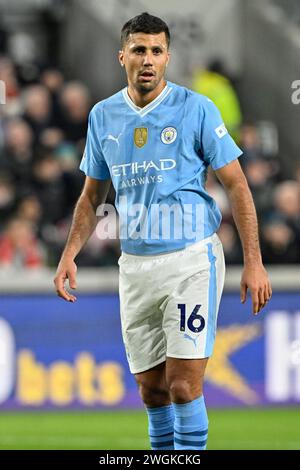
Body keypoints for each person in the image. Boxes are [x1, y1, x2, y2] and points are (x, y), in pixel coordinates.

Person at [54, 12, 272, 451]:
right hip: (134, 266)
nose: (148, 59)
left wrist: (255, 260)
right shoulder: (103, 116)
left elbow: (238, 185)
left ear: (168, 57)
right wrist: (68, 254)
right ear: (122, 57)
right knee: (151, 392)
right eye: (139, 50)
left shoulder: (196, 109)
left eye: (156, 50)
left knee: (183, 386)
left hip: (191, 260)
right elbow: (91, 197)